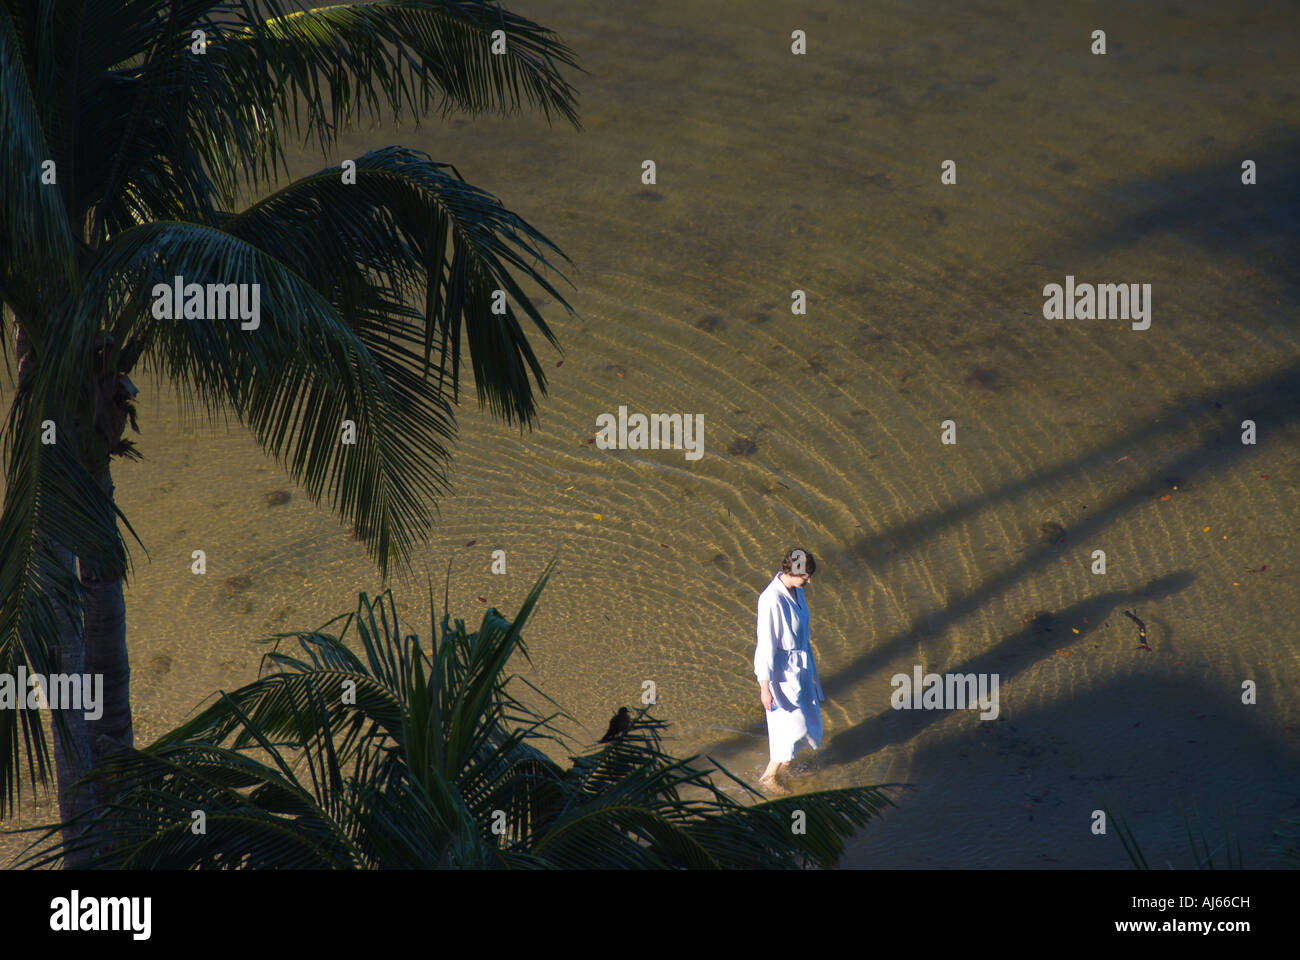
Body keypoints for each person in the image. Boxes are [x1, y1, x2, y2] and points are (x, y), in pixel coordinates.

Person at [754, 547, 824, 794]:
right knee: (788, 727)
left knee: (807, 721)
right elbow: (765, 645)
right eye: (806, 575)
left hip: (800, 668)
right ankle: (768, 777)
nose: (809, 580)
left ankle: (785, 769)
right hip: (781, 674)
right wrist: (765, 687)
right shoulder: (770, 599)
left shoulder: (796, 591)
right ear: (793, 571)